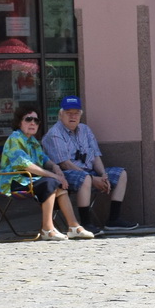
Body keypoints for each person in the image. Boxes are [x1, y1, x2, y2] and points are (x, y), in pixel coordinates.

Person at [43, 97, 137, 233]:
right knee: (85, 179)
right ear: (60, 114)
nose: (72, 116)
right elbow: (65, 164)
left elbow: (95, 157)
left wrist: (103, 175)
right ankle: (86, 223)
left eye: (76, 113)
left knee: (121, 174)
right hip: (66, 175)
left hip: (90, 172)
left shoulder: (85, 130)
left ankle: (114, 219)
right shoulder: (54, 133)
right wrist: (92, 179)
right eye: (68, 113)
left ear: (80, 115)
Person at [0, 105, 91, 240]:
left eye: (36, 121)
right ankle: (47, 229)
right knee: (51, 182)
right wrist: (54, 175)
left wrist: (56, 168)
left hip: (30, 179)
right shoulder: (15, 138)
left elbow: (44, 159)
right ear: (19, 122)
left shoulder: (33, 141)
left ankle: (73, 226)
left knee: (57, 184)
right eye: (28, 119)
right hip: (14, 181)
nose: (33, 123)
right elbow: (26, 165)